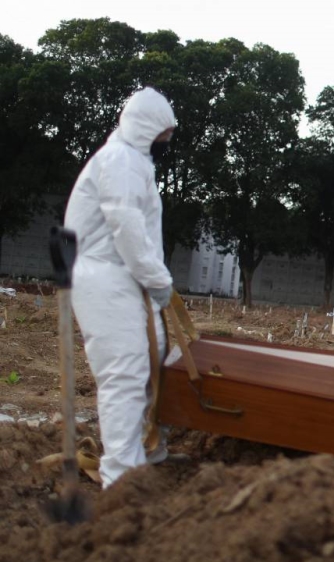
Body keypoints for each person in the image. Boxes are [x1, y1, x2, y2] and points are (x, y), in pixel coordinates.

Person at [63, 87, 177, 487]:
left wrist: (152, 280)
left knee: (154, 356)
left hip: (125, 278)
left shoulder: (135, 161)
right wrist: (158, 279)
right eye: (162, 136)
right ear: (146, 129)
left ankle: (147, 448)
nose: (166, 144)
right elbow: (127, 229)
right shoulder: (121, 162)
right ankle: (122, 478)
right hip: (105, 278)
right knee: (126, 372)